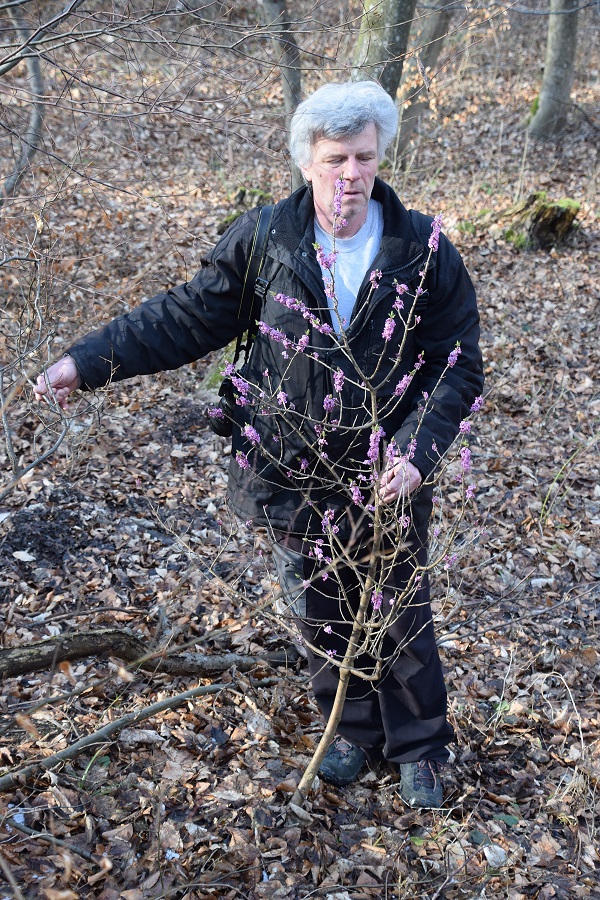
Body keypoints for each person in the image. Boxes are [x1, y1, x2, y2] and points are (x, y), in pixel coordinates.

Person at [35, 80, 483, 808]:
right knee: (320, 607)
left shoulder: (423, 250)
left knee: (397, 604)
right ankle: (353, 732)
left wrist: (416, 452)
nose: (352, 174)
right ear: (307, 160)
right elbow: (185, 317)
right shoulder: (268, 237)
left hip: (387, 471)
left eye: (364, 157)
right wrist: (85, 362)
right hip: (287, 467)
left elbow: (456, 362)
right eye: (336, 157)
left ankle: (420, 748)